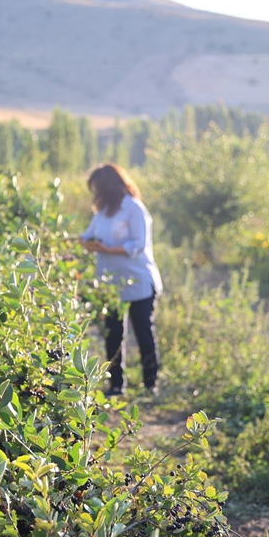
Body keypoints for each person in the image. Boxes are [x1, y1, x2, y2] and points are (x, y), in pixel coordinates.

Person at [78, 163, 163, 397]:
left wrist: (106, 249)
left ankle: (151, 384)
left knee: (143, 332)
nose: (96, 193)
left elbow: (138, 245)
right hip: (110, 286)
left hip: (138, 283)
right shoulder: (103, 211)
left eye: (98, 188)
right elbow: (88, 235)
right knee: (113, 335)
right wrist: (78, 242)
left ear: (109, 186)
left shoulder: (133, 208)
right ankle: (116, 385)